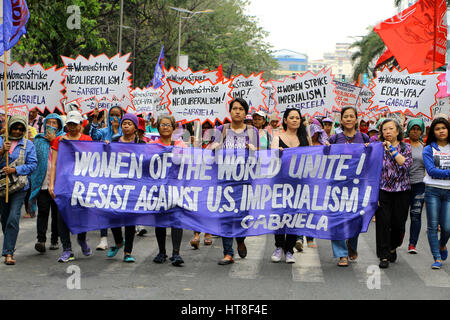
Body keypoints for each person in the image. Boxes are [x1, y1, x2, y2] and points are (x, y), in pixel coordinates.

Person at [209, 98, 259, 265]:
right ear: (229, 111)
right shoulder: (221, 129)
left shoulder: (253, 131)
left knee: (243, 216)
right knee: (225, 216)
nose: (237, 111)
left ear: (245, 113)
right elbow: (209, 153)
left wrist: (253, 150)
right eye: (234, 108)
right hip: (224, 180)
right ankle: (228, 253)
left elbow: (260, 156)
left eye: (241, 109)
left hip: (245, 181)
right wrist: (215, 147)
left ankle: (240, 239)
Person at [49, 111, 93, 263]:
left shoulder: (87, 139)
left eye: (75, 124)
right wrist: (51, 184)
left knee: (82, 213)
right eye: (70, 124)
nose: (72, 127)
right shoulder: (59, 141)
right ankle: (67, 249)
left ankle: (82, 239)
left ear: (81, 125)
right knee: (62, 216)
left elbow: (95, 159)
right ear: (66, 124)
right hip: (64, 184)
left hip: (82, 184)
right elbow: (53, 164)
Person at [329, 106, 370, 267]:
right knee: (338, 218)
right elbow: (326, 158)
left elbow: (371, 160)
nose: (348, 119)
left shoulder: (364, 137)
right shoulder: (334, 138)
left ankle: (351, 245)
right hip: (337, 185)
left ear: (356, 119)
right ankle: (341, 254)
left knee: (356, 218)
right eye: (345, 116)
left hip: (357, 185)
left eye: (351, 116)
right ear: (341, 120)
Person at [270, 107, 311, 263]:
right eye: (292, 117)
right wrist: (277, 153)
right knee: (280, 214)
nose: (295, 120)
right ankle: (279, 246)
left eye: (297, 118)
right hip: (280, 182)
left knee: (295, 215)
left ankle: (289, 249)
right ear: (285, 120)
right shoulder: (277, 137)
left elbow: (312, 158)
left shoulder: (305, 138)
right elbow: (271, 158)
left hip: (299, 183)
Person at [107, 113, 146, 263]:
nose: (126, 126)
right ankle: (118, 242)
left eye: (130, 123)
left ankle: (127, 252)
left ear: (135, 127)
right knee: (112, 215)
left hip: (134, 185)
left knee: (130, 219)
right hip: (116, 184)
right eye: (124, 123)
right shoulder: (115, 141)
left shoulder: (141, 144)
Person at [0, 115, 37, 265]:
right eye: (14, 128)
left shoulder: (28, 145)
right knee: (4, 218)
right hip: (2, 187)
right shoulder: (2, 140)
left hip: (19, 186)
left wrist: (15, 169)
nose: (17, 131)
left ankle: (8, 252)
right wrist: (2, 151)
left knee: (13, 217)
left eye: (20, 129)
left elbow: (33, 165)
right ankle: (10, 242)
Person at [376, 118, 413, 269]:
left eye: (391, 129)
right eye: (384, 129)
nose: (388, 132)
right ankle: (383, 255)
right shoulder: (378, 147)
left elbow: (404, 164)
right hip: (383, 190)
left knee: (398, 224)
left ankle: (392, 247)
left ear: (398, 131)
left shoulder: (406, 147)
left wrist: (391, 148)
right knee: (383, 224)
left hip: (402, 191)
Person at [151, 115, 187, 266]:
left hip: (176, 186)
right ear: (158, 127)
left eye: (168, 124)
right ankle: (162, 252)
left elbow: (187, 162)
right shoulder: (152, 145)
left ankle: (176, 253)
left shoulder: (181, 144)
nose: (165, 127)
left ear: (173, 128)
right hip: (158, 188)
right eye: (162, 124)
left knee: (176, 219)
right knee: (160, 220)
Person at [90, 105, 125, 251]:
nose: (114, 118)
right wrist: (95, 120)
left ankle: (122, 238)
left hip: (122, 175)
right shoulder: (104, 132)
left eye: (117, 115)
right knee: (104, 207)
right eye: (112, 115)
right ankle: (103, 238)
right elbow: (93, 136)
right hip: (106, 174)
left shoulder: (126, 131)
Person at [29, 114, 65, 253]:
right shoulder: (39, 140)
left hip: (58, 184)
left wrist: (54, 141)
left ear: (59, 125)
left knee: (56, 214)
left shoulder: (64, 140)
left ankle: (55, 239)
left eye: (54, 123)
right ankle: (41, 240)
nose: (51, 125)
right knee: (43, 211)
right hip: (43, 183)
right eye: (48, 122)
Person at [423, 117, 450, 270]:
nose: (441, 131)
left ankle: (442, 245)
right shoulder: (429, 149)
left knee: (447, 227)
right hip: (432, 190)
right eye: (437, 128)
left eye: (443, 128)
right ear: (433, 132)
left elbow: (437, 171)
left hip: (449, 192)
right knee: (433, 226)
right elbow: (431, 171)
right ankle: (437, 257)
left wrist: (442, 173)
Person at [403, 119, 426, 254]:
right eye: (413, 128)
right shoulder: (402, 145)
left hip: (419, 185)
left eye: (418, 129)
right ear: (408, 130)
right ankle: (398, 239)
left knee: (416, 215)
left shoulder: (425, 147)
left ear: (421, 131)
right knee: (401, 216)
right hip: (403, 185)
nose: (415, 131)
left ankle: (412, 244)